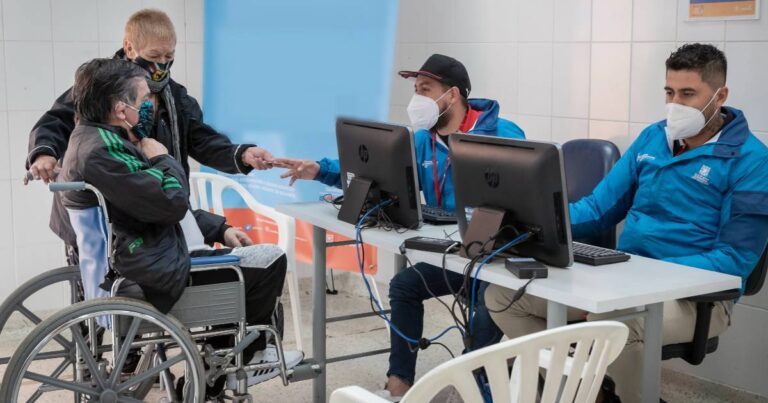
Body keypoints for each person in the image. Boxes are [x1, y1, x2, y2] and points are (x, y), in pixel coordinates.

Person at [486, 43, 768, 403]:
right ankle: (590, 393)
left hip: (697, 300)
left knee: (618, 324)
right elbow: (599, 208)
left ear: (720, 95)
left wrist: (645, 277)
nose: (675, 104)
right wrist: (535, 220)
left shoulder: (752, 161)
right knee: (504, 297)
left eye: (688, 93)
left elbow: (734, 260)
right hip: (624, 282)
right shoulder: (654, 137)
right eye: (669, 92)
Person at [276, 54, 526, 400]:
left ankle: (470, 386)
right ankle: (399, 386)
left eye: (426, 89)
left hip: (496, 260)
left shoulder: (502, 134)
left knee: (489, 301)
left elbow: (524, 196)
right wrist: (319, 170)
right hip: (455, 253)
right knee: (405, 285)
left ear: (452, 94)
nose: (417, 99)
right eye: (415, 90)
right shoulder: (423, 139)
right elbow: (377, 166)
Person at [58, 58, 301, 396]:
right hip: (149, 273)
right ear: (119, 108)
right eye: (143, 100)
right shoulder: (105, 153)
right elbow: (170, 203)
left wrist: (220, 229)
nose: (150, 107)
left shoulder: (91, 140)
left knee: (239, 255)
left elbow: (147, 207)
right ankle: (239, 358)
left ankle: (218, 362)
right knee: (269, 259)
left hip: (143, 254)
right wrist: (162, 157)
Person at [25, 8, 275, 266]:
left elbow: (201, 140)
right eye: (154, 56)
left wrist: (242, 154)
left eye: (169, 56)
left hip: (151, 207)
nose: (161, 66)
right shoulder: (99, 87)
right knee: (95, 282)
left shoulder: (176, 97)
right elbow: (56, 120)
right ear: (129, 48)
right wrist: (44, 152)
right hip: (107, 219)